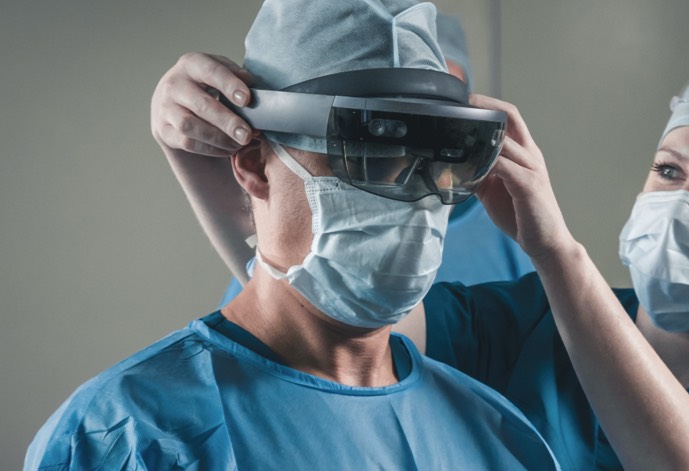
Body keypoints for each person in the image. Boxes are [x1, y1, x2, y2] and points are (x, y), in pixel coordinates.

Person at [152, 43, 689, 469]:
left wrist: (553, 248)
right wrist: (202, 155)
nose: (684, 202)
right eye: (668, 171)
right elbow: (319, 310)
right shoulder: (526, 321)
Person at [24, 1, 559, 469]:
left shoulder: (491, 431)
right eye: (372, 154)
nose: (415, 199)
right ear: (254, 164)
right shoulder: (131, 437)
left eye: (435, 159)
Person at [215, 13, 533, 306]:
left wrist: (555, 250)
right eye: (388, 120)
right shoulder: (313, 264)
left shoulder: (500, 233)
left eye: (439, 104)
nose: (418, 126)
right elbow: (284, 319)